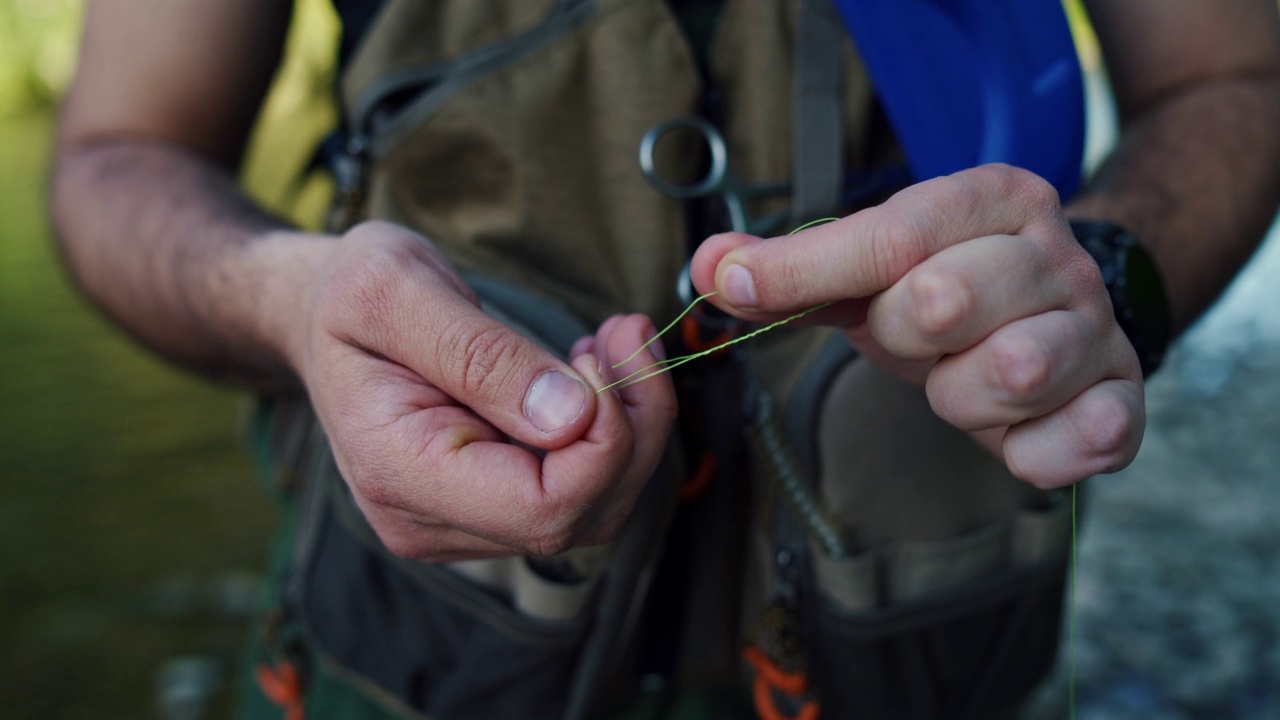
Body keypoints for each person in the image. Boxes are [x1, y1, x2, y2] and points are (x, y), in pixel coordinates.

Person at [50, 0, 1280, 718]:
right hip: (404, 656)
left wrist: (1110, 276)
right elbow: (118, 152)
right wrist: (288, 298)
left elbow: (1230, 76)